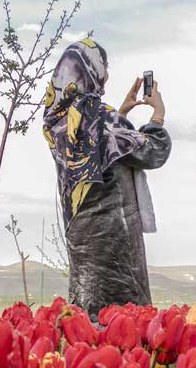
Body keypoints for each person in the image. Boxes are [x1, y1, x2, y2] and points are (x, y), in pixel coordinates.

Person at [43, 38, 171, 322]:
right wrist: (158, 115)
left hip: (82, 240)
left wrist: (121, 114)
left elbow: (100, 152)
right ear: (91, 70)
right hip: (115, 244)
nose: (107, 75)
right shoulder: (102, 119)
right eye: (104, 67)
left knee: (87, 326)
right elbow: (154, 152)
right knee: (123, 327)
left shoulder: (59, 121)